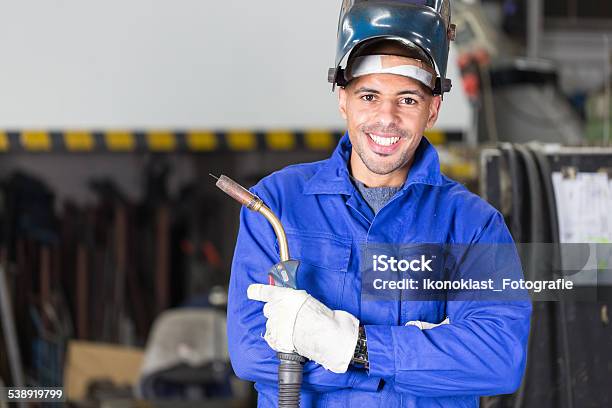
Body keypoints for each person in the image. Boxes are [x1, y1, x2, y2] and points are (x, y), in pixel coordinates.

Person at [227, 1, 531, 406]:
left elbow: (497, 358)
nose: (386, 117)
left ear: (433, 109)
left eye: (407, 99)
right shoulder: (276, 205)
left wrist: (354, 346)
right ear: (343, 100)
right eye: (369, 95)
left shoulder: (473, 226)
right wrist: (410, 362)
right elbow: (251, 353)